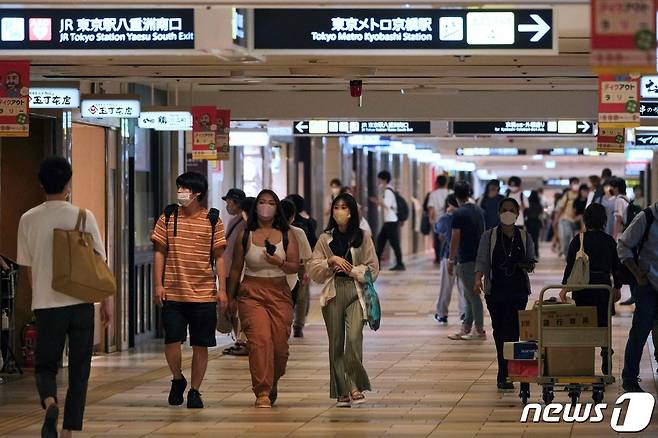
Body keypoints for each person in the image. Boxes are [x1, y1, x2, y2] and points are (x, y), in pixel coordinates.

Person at [16, 157, 112, 438]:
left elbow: (28, 267)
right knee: (80, 370)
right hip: (81, 304)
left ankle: (49, 403)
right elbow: (99, 262)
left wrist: (38, 300)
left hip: (47, 306)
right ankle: (69, 430)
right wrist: (105, 300)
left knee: (46, 366)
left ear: (41, 183)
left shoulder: (28, 219)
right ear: (68, 183)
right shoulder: (83, 216)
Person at [151, 172, 228, 410]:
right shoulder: (168, 217)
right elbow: (160, 252)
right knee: (171, 341)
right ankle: (177, 378)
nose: (180, 192)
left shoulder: (213, 220)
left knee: (200, 344)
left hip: (203, 293)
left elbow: (219, 259)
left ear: (197, 194)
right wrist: (158, 284)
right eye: (179, 188)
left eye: (184, 189)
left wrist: (222, 289)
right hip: (173, 291)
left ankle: (195, 390)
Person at [228, 190, 300, 408]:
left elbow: (295, 266)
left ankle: (273, 380)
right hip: (251, 293)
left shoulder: (287, 234)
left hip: (279, 293)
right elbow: (235, 269)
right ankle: (262, 391)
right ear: (255, 206)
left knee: (279, 346)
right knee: (260, 341)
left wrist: (279, 262)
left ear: (277, 207)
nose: (265, 206)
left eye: (270, 202)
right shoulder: (245, 234)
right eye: (261, 202)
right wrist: (229, 297)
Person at [307, 193, 379, 408]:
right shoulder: (324, 238)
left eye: (344, 207)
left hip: (356, 291)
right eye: (336, 207)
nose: (340, 211)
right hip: (333, 292)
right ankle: (341, 390)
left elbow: (373, 268)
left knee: (355, 338)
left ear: (351, 211)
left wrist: (355, 270)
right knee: (336, 343)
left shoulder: (363, 237)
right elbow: (313, 269)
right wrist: (330, 261)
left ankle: (355, 385)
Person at [475, 198, 535, 390]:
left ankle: (510, 371)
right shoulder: (489, 236)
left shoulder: (525, 237)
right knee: (499, 331)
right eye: (504, 210)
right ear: (499, 213)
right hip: (496, 292)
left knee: (514, 332)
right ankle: (504, 370)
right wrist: (478, 279)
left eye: (511, 210)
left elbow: (531, 262)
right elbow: (482, 260)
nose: (508, 213)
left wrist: (525, 264)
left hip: (518, 291)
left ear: (517, 214)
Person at [560, 203, 621, 375]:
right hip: (603, 288)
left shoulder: (579, 239)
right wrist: (618, 286)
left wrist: (565, 288)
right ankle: (605, 350)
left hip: (582, 288)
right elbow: (616, 267)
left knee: (583, 323)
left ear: (585, 220)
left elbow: (570, 266)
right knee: (603, 323)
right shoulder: (609, 241)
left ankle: (584, 362)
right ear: (604, 220)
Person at [618, 201, 658, 392]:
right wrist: (638, 274)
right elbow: (623, 246)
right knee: (640, 333)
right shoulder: (646, 217)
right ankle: (630, 379)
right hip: (648, 285)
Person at [447, 181, 486, 341]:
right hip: (478, 256)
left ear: (456, 196)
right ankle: (466, 328)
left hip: (466, 258)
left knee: (473, 295)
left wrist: (450, 259)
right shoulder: (478, 210)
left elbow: (455, 238)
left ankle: (479, 330)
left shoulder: (458, 213)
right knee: (469, 294)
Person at [221, 189, 249, 357]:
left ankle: (242, 340)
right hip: (228, 270)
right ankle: (238, 340)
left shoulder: (246, 223)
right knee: (232, 307)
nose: (227, 206)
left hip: (238, 271)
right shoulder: (233, 222)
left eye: (229, 202)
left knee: (238, 306)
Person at [281, 199, 313, 338]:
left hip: (280, 268)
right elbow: (307, 256)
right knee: (300, 298)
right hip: (298, 267)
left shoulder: (271, 232)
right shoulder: (298, 232)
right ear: (293, 216)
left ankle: (285, 326)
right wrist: (307, 272)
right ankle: (298, 326)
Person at [434, 195, 466, 325]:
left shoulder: (445, 218)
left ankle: (442, 314)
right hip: (464, 257)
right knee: (463, 288)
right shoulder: (466, 217)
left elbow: (438, 230)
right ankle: (464, 313)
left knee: (445, 287)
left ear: (449, 204)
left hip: (448, 256)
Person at [370, 170, 405, 271]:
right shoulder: (388, 190)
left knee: (392, 242)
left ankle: (400, 263)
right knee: (381, 241)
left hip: (391, 221)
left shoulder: (388, 191)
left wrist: (378, 201)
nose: (379, 181)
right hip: (389, 221)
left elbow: (387, 205)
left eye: (380, 179)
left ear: (384, 179)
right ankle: (378, 264)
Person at [427, 175, 449, 264]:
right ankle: (445, 256)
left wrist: (430, 219)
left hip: (438, 220)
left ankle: (438, 258)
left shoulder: (433, 194)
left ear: (437, 183)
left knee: (437, 240)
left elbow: (431, 208)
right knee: (447, 239)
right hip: (448, 219)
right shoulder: (450, 193)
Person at [556, 177, 581, 257]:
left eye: (577, 183)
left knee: (577, 239)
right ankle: (567, 255)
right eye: (574, 183)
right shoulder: (567, 195)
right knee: (566, 236)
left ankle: (576, 256)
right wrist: (556, 219)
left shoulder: (581, 195)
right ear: (570, 185)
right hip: (567, 219)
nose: (576, 185)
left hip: (578, 221)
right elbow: (561, 208)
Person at [525, 191, 543, 259]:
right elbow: (540, 215)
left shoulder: (528, 205)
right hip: (536, 222)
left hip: (529, 222)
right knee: (535, 239)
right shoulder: (539, 205)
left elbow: (525, 214)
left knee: (529, 238)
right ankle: (536, 253)